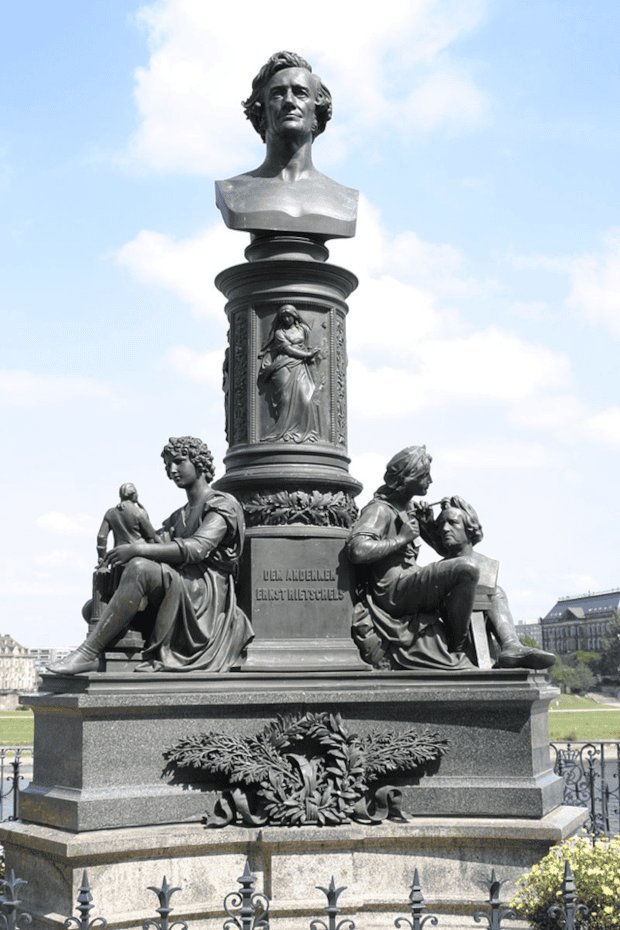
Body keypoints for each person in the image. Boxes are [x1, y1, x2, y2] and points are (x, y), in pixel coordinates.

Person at [47, 437, 253, 675]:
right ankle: (109, 656)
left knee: (140, 568)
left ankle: (87, 653)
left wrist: (137, 550)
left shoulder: (222, 504)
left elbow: (196, 548)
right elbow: (155, 541)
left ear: (199, 463)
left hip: (203, 593)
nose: (172, 470)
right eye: (167, 466)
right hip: (179, 587)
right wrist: (128, 526)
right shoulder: (179, 516)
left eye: (178, 462)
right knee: (94, 608)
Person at [346, 446, 479, 670]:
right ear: (410, 478)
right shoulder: (380, 510)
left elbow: (445, 552)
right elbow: (357, 549)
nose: (431, 480)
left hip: (409, 580)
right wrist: (400, 539)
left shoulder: (406, 508)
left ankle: (511, 647)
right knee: (467, 568)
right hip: (393, 591)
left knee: (485, 580)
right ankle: (458, 649)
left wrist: (429, 524)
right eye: (426, 475)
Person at [215, 51, 358, 239]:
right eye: (277, 94)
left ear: (317, 111)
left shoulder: (344, 199)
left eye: (301, 93)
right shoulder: (233, 191)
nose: (289, 101)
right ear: (261, 112)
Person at [433, 497, 555, 670]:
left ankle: (511, 645)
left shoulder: (486, 565)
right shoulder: (437, 570)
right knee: (489, 592)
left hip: (472, 631)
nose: (445, 529)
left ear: (470, 528)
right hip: (450, 637)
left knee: (495, 591)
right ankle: (510, 646)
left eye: (452, 523)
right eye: (441, 525)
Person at [258, 304, 322, 442]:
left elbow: (306, 345)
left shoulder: (303, 329)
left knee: (306, 398)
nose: (287, 319)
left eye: (289, 316)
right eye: (284, 316)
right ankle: (284, 431)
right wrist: (307, 354)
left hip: (300, 366)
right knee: (285, 399)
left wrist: (312, 353)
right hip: (284, 365)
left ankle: (305, 432)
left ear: (295, 316)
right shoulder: (279, 333)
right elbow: (288, 350)